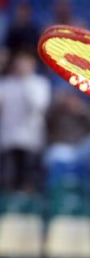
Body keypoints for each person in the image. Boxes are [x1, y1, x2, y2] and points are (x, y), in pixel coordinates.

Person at [0, 50, 51, 192]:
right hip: (8, 139)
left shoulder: (40, 84)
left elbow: (38, 106)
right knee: (8, 180)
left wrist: (25, 82)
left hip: (31, 139)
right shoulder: (5, 84)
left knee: (29, 181)